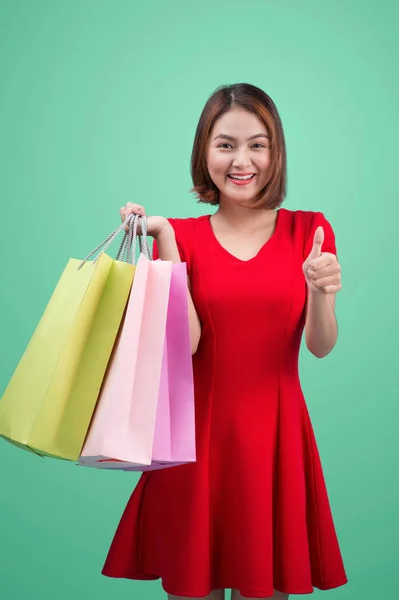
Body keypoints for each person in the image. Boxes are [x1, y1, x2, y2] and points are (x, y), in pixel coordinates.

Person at [101, 83, 348, 600]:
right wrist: (165, 238)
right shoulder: (184, 236)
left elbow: (320, 346)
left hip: (276, 437)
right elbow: (187, 342)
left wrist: (319, 290)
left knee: (265, 587)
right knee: (195, 588)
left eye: (258, 144)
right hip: (197, 442)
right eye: (226, 144)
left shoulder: (310, 230)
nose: (242, 160)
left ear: (275, 152)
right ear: (204, 152)